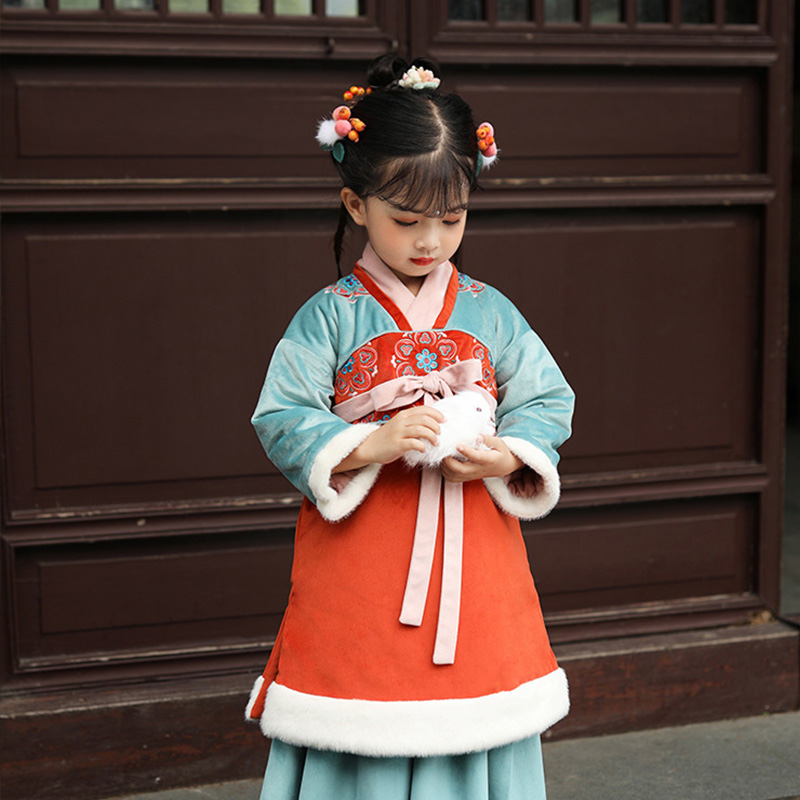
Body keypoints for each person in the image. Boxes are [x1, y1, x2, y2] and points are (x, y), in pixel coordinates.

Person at [247, 54, 575, 800]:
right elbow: (282, 412)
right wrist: (373, 443)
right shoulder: (328, 316)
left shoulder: (492, 311)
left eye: (451, 219)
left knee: (478, 703)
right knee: (359, 699)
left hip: (475, 553)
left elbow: (547, 398)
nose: (430, 240)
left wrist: (506, 456)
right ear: (355, 205)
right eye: (406, 220)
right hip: (366, 553)